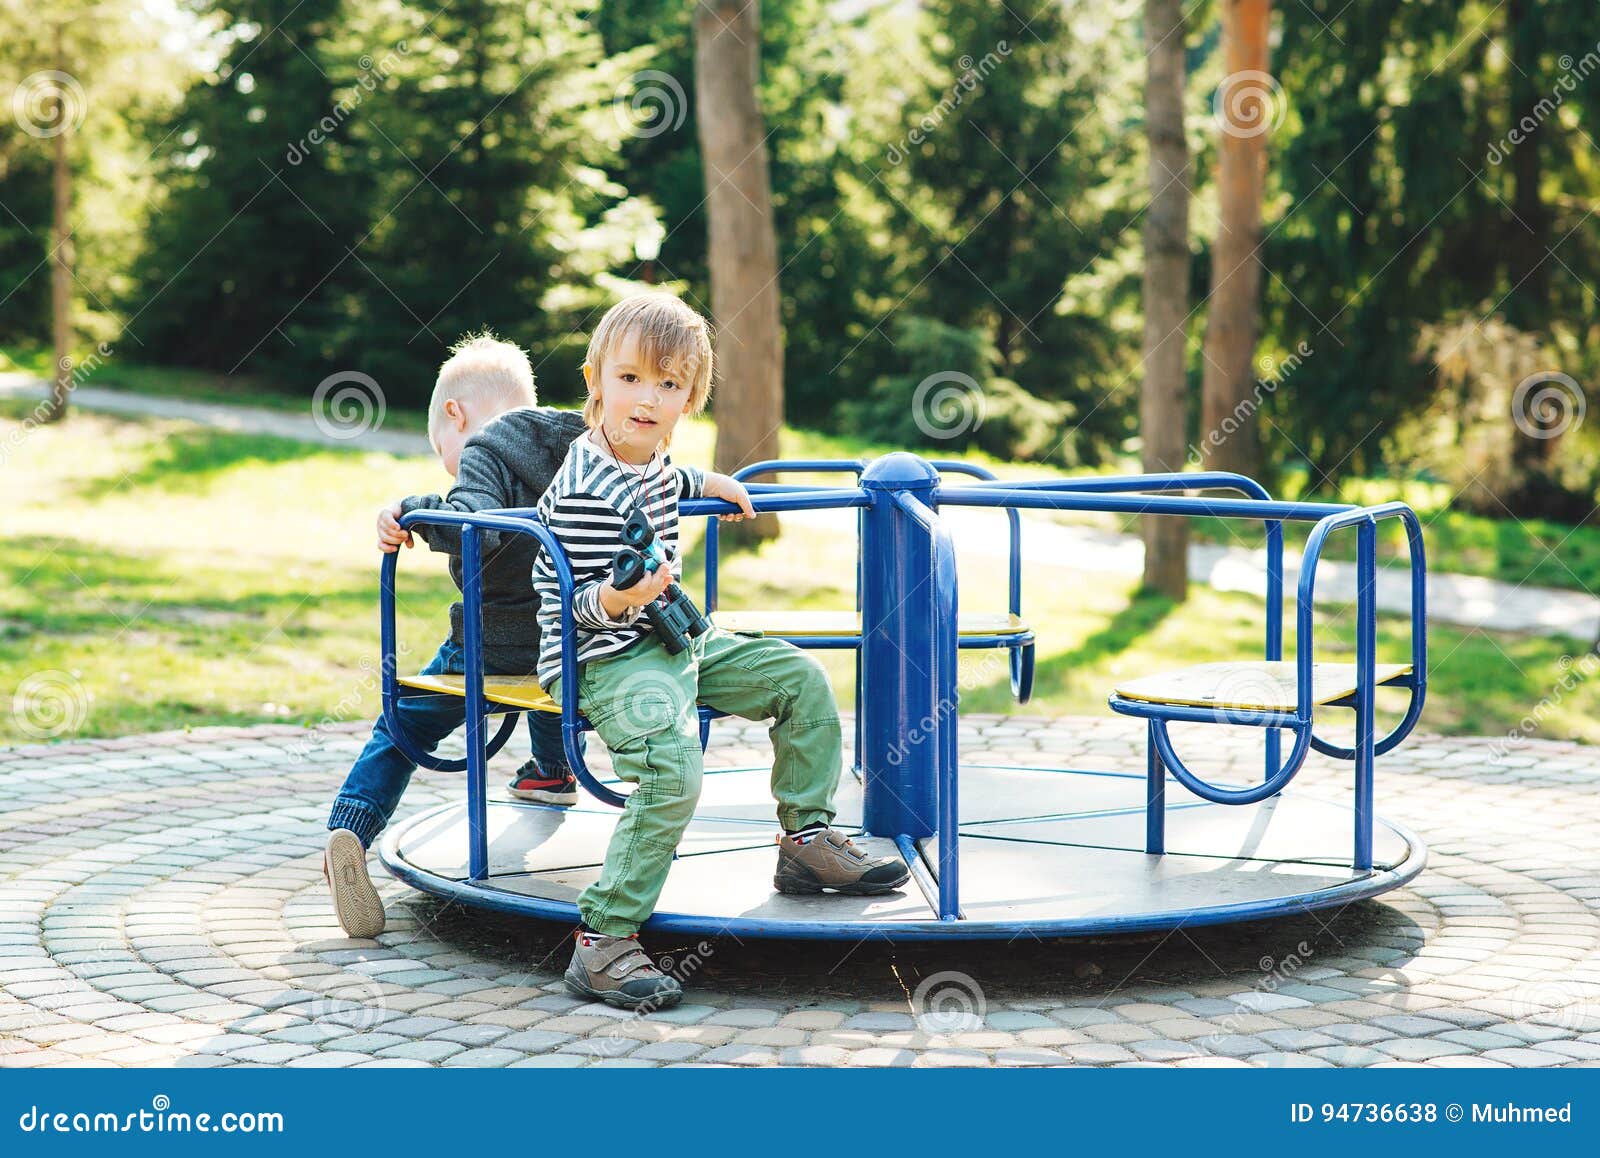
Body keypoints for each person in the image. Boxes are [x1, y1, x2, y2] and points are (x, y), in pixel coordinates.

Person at [532, 293, 910, 1011]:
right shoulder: (582, 489)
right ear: (595, 381)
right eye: (632, 379)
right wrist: (622, 599)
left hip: (676, 637)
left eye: (669, 385)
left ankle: (806, 840)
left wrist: (712, 482)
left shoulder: (646, 458)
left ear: (690, 398)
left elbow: (663, 480)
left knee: (798, 677)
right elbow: (571, 606)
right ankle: (603, 940)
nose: (648, 399)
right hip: (605, 656)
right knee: (672, 771)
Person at [324, 332, 587, 938]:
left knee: (402, 725)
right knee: (549, 674)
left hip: (486, 647)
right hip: (575, 643)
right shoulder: (579, 442)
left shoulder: (482, 450)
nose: (447, 458)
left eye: (439, 446)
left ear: (456, 414)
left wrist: (414, 510)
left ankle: (352, 825)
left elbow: (476, 522)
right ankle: (551, 771)